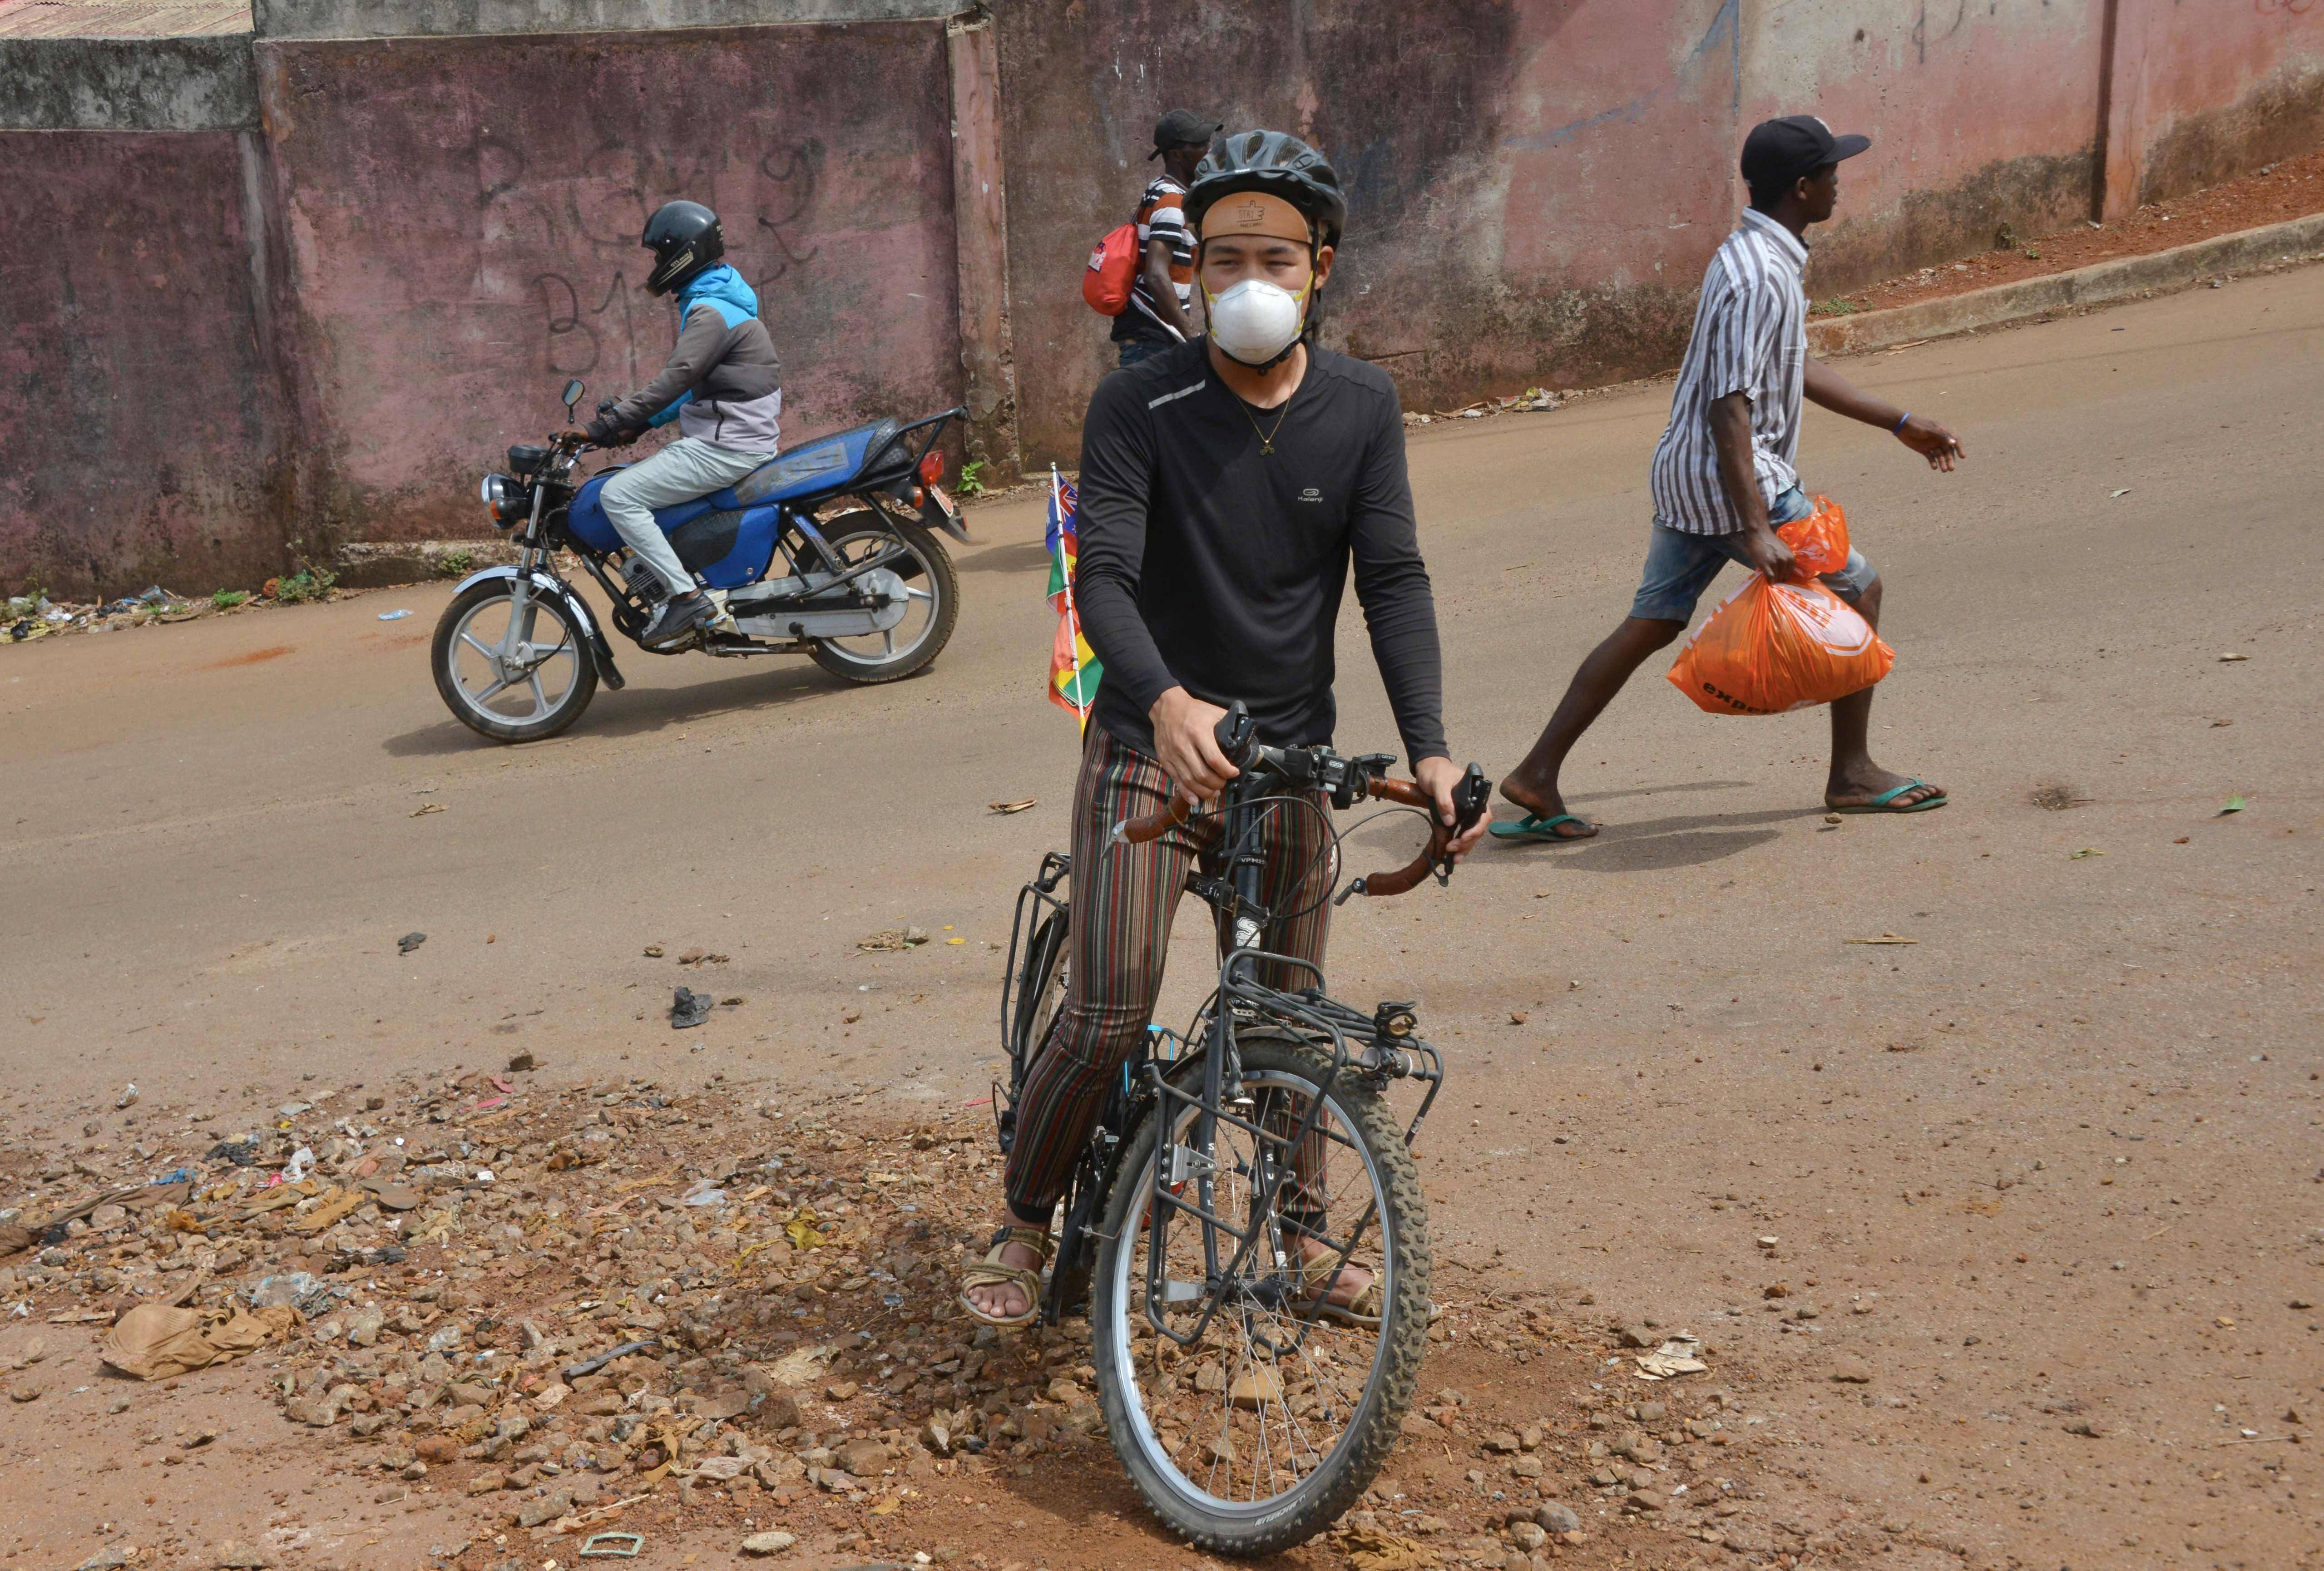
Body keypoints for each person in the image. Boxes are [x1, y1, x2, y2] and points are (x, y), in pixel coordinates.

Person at [961, 128, 1489, 1328]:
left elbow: (1391, 581)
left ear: (1322, 266)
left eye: (1278, 257)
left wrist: (1433, 749)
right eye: (1221, 257)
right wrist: (1163, 700)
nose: (1249, 280)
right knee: (1105, 1008)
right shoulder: (1136, 401)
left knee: (1288, 1010)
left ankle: (1299, 1232)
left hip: (1286, 755)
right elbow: (1102, 579)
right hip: (1151, 746)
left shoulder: (1362, 406)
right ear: (1188, 269)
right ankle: (1020, 1219)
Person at [1494, 115, 1966, 841]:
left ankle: (1535, 774)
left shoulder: (1759, 257)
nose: (1841, 181)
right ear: (1803, 187)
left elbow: (1791, 366)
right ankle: (1851, 773)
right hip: (1735, 482)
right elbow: (1730, 406)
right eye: (1832, 173)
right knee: (1860, 591)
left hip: (1688, 477)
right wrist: (1754, 526)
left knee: (1652, 620)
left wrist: (1900, 423)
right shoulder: (1756, 273)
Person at [579, 200, 784, 649]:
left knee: (619, 494)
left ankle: (687, 597)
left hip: (727, 446)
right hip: (736, 437)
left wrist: (604, 426)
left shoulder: (710, 312)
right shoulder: (720, 300)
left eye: (659, 256)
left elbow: (678, 379)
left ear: (683, 254)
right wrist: (641, 425)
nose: (656, 266)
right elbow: (698, 389)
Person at [1111, 109, 1220, 370]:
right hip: (1152, 332)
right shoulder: (1172, 201)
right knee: (1141, 410)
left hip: (1152, 332)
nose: (1209, 150)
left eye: (1208, 142)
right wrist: (1191, 336)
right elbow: (1156, 275)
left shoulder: (1160, 189)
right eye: (1200, 145)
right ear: (1176, 156)